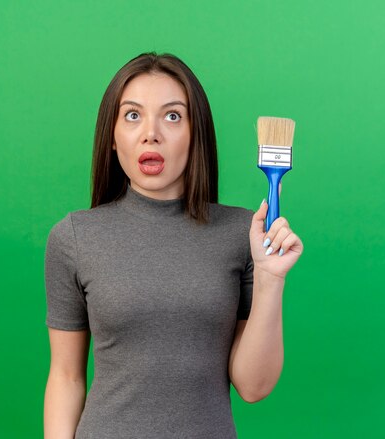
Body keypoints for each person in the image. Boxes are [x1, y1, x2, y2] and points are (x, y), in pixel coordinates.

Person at [43, 52, 303, 439]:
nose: (151, 133)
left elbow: (254, 387)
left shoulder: (243, 234)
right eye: (133, 115)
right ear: (112, 138)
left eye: (172, 115)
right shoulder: (74, 237)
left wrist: (270, 278)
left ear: (195, 134)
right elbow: (66, 377)